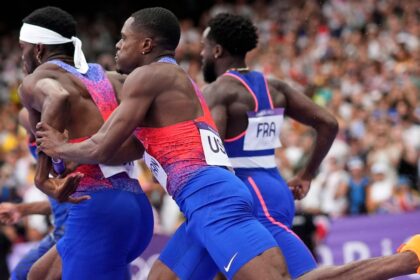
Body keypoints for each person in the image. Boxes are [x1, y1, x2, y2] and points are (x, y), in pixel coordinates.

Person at [36, 7, 291, 280]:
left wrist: (59, 147)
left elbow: (102, 145)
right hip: (206, 200)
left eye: (124, 38)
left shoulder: (147, 76)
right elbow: (130, 148)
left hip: (211, 199)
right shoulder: (176, 79)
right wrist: (78, 155)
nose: (118, 45)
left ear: (146, 44)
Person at [195, 13, 419, 279]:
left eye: (205, 47)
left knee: (302, 277)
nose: (200, 53)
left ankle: (410, 258)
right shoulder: (275, 87)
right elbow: (328, 123)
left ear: (217, 50)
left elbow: (211, 155)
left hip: (248, 195)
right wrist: (306, 174)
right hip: (275, 187)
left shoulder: (219, 91)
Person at [18, 6, 153, 279]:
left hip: (97, 206)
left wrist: (42, 177)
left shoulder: (39, 79)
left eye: (23, 48)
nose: (21, 57)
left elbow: (57, 97)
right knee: (39, 275)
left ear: (39, 49)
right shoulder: (108, 77)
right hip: (136, 206)